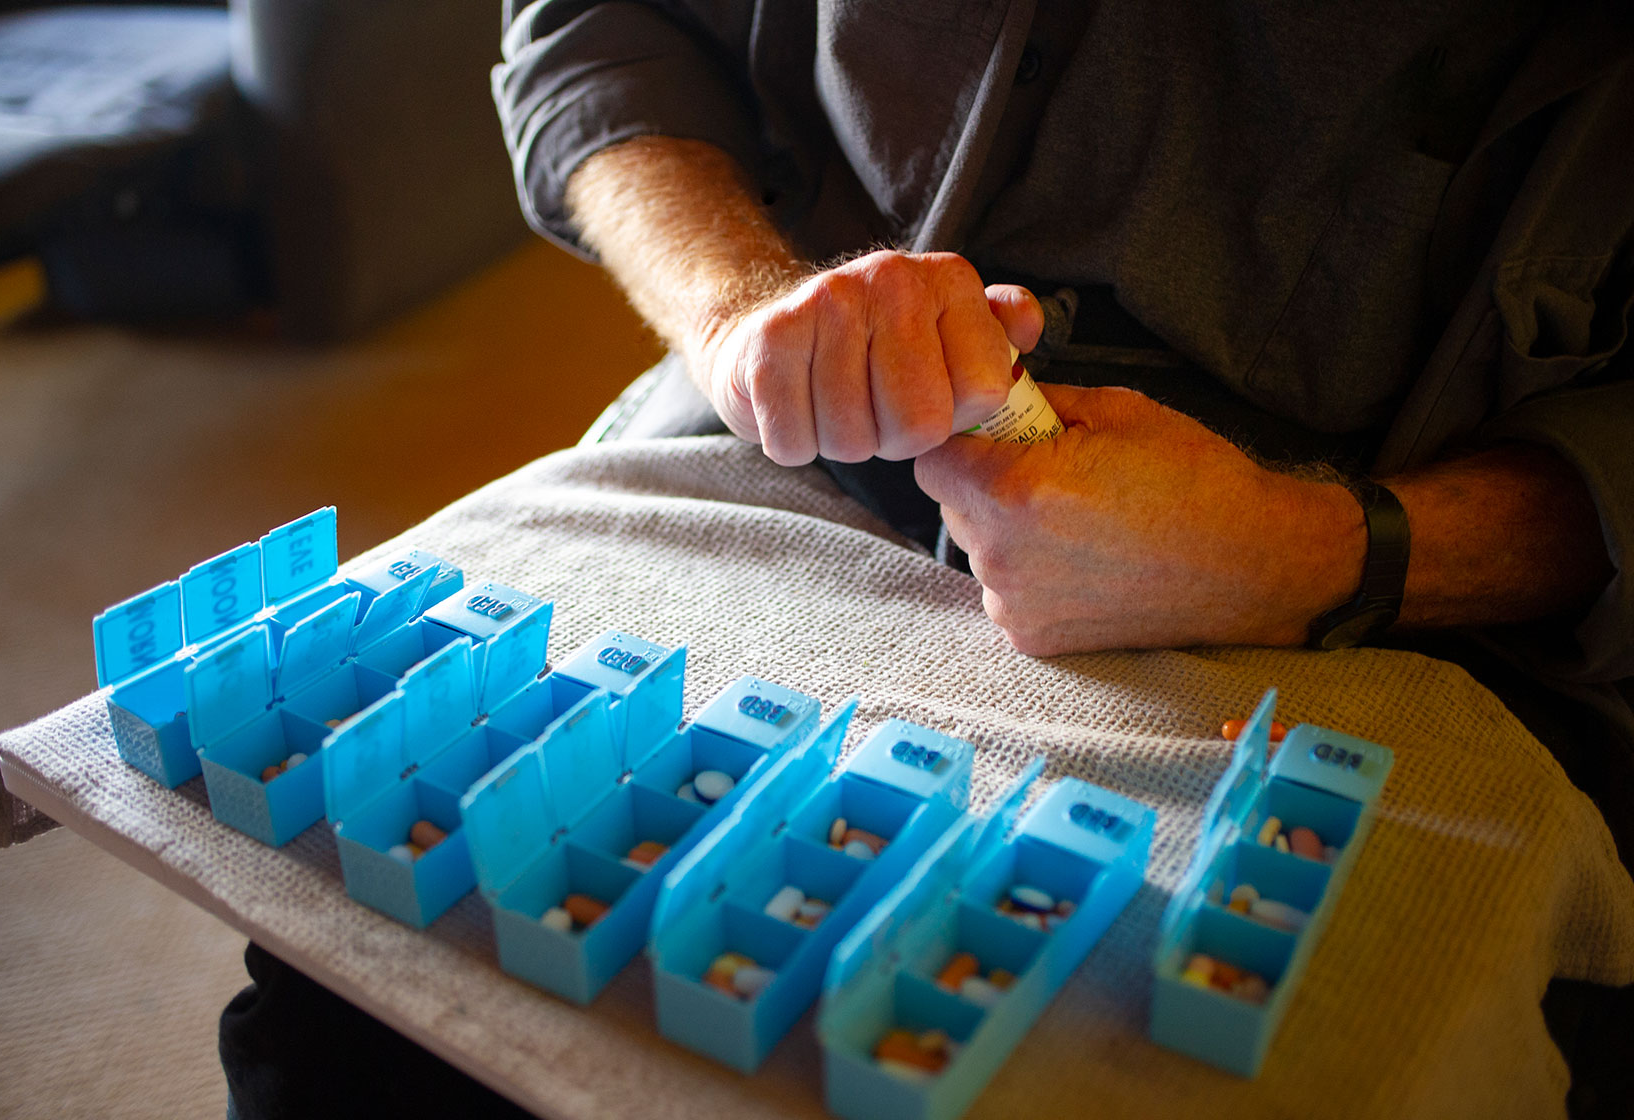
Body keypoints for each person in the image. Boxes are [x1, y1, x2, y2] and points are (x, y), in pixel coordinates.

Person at [221, 3, 1634, 1116]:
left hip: (1411, 579)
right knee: (352, 1015)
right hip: (783, 428)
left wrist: (1321, 551)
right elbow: (601, 29)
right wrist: (738, 313)